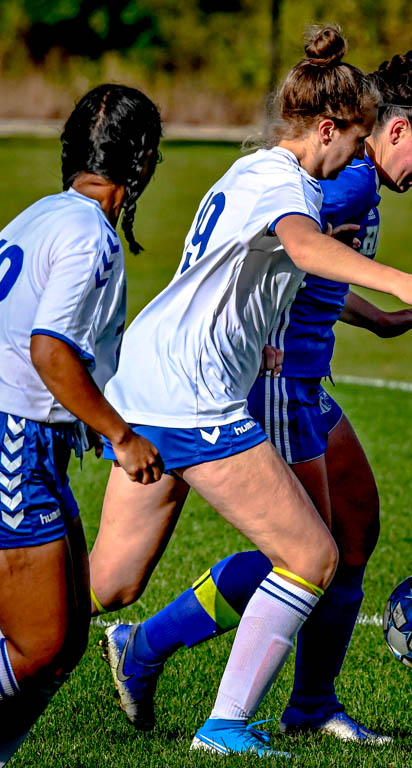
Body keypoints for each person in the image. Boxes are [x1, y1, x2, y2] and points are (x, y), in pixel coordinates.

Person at [89, 27, 412, 757]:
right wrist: (401, 282)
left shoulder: (264, 168)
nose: (360, 157)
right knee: (309, 556)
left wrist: (366, 319)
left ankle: (148, 650)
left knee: (110, 585)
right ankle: (225, 720)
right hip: (218, 390)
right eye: (357, 139)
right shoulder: (310, 180)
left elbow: (286, 270)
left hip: (162, 378)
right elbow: (303, 248)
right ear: (338, 128)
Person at [0, 85, 163, 765]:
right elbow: (49, 349)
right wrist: (122, 435)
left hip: (35, 439)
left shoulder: (37, 216)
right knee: (38, 643)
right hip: (15, 441)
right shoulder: (89, 234)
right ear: (141, 166)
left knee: (63, 644)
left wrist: (86, 421)